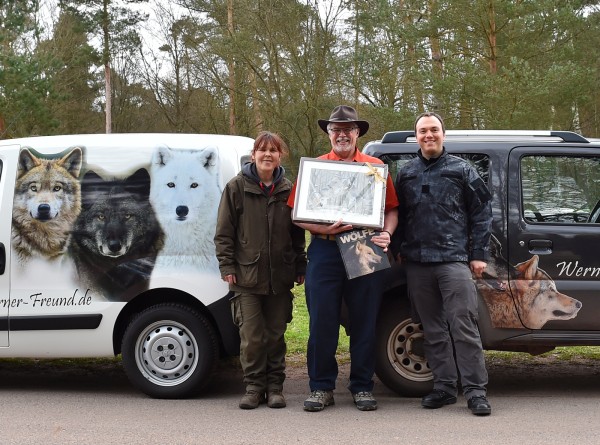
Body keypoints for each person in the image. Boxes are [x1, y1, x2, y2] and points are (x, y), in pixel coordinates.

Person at [287, 105, 399, 412]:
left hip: (364, 245)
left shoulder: (375, 167)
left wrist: (387, 233)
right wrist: (320, 226)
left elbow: (391, 209)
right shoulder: (316, 168)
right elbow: (296, 213)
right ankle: (321, 386)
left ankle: (362, 386)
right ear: (328, 134)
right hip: (324, 248)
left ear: (358, 133)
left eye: (348, 129)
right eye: (336, 130)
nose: (342, 135)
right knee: (322, 321)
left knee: (365, 320)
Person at [392, 111, 493, 416]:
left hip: (454, 262)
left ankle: (476, 391)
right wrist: (398, 249)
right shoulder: (406, 173)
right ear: (417, 137)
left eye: (434, 130)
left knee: (464, 327)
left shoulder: (463, 170)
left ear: (443, 134)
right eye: (423, 131)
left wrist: (478, 255)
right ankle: (445, 387)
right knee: (432, 330)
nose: (429, 135)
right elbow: (398, 214)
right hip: (418, 264)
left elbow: (481, 213)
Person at [214, 131, 307, 410]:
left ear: (281, 156)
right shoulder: (236, 188)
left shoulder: (289, 189)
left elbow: (297, 234)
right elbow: (223, 233)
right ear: (253, 155)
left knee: (275, 335)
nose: (268, 155)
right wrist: (227, 265)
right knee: (252, 337)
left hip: (280, 277)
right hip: (246, 278)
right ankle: (254, 387)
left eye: (273, 150)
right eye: (262, 150)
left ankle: (275, 387)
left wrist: (300, 265)